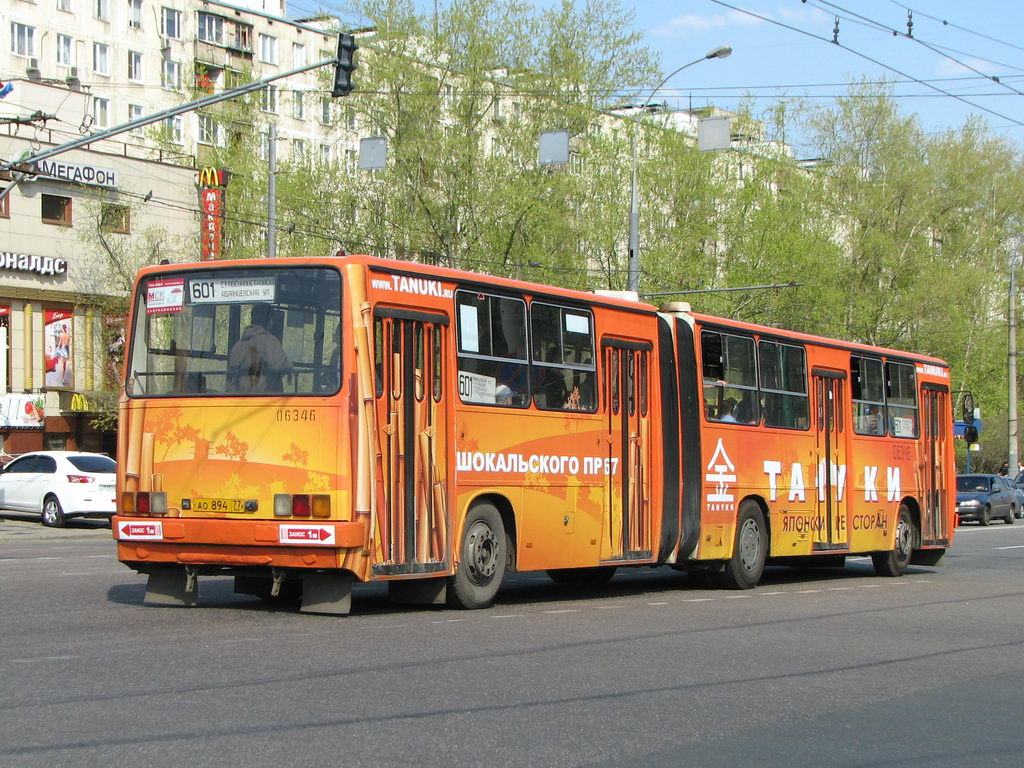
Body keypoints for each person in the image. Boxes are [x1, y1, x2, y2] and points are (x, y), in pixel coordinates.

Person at [227, 304, 294, 393]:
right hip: (264, 397)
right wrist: (289, 368)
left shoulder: (239, 345)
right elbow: (278, 365)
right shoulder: (269, 341)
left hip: (241, 397)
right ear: (269, 321)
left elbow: (232, 370)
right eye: (272, 319)